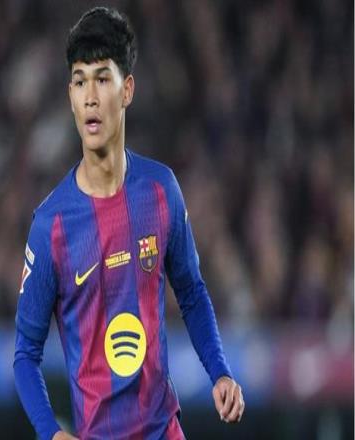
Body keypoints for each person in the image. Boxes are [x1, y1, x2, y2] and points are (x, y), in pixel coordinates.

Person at [13, 6, 244, 440]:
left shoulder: (161, 191)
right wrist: (51, 432)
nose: (90, 97)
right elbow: (25, 354)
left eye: (103, 79)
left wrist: (220, 372)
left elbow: (192, 292)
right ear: (70, 95)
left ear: (128, 90)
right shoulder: (50, 226)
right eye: (79, 81)